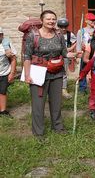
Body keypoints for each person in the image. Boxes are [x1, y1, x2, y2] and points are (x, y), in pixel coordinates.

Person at [23, 10, 76, 139]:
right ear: (42, 20)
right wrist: (27, 75)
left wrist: (73, 54)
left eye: (53, 19)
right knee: (38, 104)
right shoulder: (33, 35)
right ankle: (39, 132)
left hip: (57, 72)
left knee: (57, 103)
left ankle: (58, 127)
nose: (51, 21)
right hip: (38, 72)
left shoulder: (58, 35)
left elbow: (64, 52)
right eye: (48, 19)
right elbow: (26, 56)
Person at [76, 12, 95, 92]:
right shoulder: (81, 31)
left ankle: (94, 86)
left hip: (94, 52)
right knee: (83, 70)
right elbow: (78, 43)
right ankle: (82, 88)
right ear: (86, 20)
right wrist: (78, 54)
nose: (93, 22)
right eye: (91, 20)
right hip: (85, 53)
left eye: (94, 20)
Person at [57, 18, 77, 99]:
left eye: (65, 27)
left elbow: (75, 42)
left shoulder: (69, 34)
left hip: (65, 55)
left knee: (64, 72)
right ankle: (55, 89)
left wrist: (70, 48)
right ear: (58, 26)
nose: (63, 29)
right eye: (61, 27)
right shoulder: (55, 33)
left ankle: (63, 89)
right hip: (56, 55)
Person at [0, 27, 16, 117]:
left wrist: (12, 73)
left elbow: (13, 59)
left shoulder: (7, 44)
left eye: (0, 34)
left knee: (2, 91)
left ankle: (3, 111)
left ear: (2, 35)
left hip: (4, 72)